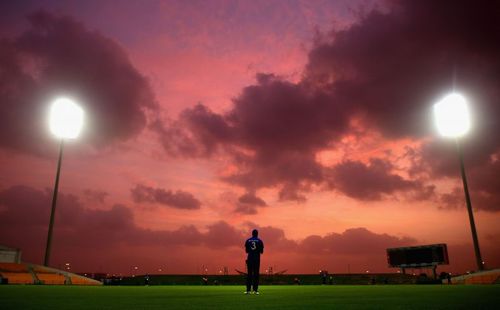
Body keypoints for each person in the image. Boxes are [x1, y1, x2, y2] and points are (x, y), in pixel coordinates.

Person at [244, 229, 264, 294]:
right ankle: (255, 290)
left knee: (249, 274)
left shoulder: (248, 240)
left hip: (250, 259)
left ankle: (248, 290)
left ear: (252, 234)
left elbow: (246, 251)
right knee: (256, 274)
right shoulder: (260, 241)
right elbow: (261, 252)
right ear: (257, 234)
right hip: (256, 259)